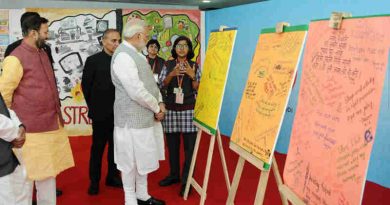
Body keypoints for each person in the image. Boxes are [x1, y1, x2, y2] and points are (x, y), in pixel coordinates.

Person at [0, 14, 74, 205]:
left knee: (48, 176)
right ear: (33, 33)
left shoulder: (43, 52)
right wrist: (12, 129)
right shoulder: (15, 58)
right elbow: (3, 97)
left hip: (49, 126)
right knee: (25, 180)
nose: (47, 35)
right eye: (45, 32)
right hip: (28, 133)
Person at [111, 19, 165, 205]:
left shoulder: (137, 54)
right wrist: (157, 107)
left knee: (143, 158)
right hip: (130, 121)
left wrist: (160, 102)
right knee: (130, 162)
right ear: (138, 36)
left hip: (144, 119)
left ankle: (142, 194)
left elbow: (151, 84)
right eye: (146, 35)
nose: (147, 39)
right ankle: (130, 199)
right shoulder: (123, 56)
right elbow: (136, 91)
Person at [158, 36, 201, 196]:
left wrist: (192, 75)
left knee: (190, 149)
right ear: (174, 48)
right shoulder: (168, 64)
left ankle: (187, 181)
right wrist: (172, 73)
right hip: (171, 110)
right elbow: (162, 83)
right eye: (178, 45)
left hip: (189, 110)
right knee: (173, 146)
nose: (181, 48)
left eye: (185, 46)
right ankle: (174, 175)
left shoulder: (194, 65)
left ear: (189, 49)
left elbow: (198, 87)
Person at [81, 29, 123, 195]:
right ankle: (94, 181)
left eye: (118, 40)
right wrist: (95, 107)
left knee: (116, 148)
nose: (116, 44)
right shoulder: (93, 61)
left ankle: (112, 176)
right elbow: (86, 86)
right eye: (113, 40)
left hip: (120, 113)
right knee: (97, 148)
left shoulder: (122, 60)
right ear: (103, 41)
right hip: (100, 114)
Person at [0, 93, 29, 205]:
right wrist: (15, 133)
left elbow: (3, 109)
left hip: (9, 157)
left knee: (20, 195)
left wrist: (20, 125)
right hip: (2, 164)